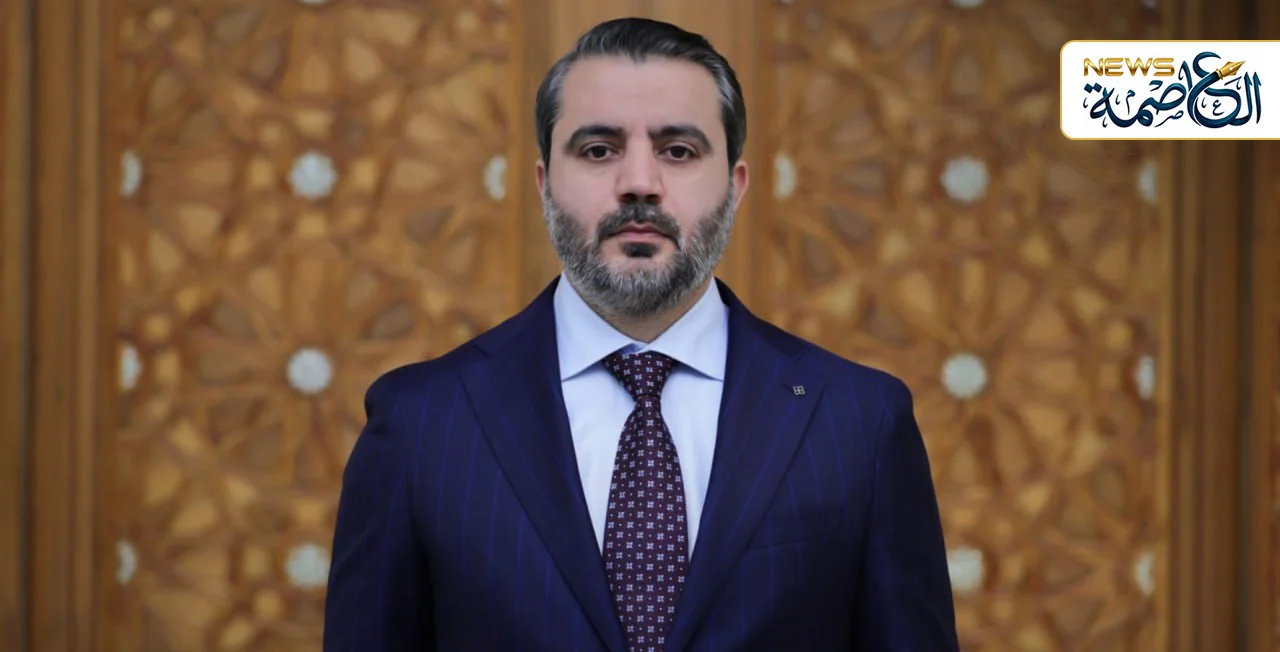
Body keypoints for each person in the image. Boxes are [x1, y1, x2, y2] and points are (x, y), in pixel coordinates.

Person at [323, 17, 959, 652]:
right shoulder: (420, 423)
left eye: (677, 151)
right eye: (598, 150)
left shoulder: (860, 421)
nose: (638, 184)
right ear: (545, 184)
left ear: (735, 187)